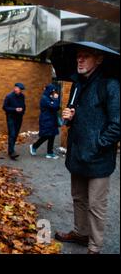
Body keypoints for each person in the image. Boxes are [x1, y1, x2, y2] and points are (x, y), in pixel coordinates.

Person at [54, 47, 120, 254]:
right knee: (79, 198)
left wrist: (98, 145)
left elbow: (117, 124)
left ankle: (94, 246)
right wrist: (69, 116)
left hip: (98, 159)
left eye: (85, 56)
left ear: (99, 59)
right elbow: (72, 114)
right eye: (78, 57)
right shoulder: (76, 85)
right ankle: (80, 233)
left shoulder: (110, 85)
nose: (79, 60)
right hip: (77, 154)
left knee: (96, 205)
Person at [29, 84, 60, 159]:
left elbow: (57, 107)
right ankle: (34, 146)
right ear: (50, 90)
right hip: (46, 120)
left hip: (52, 119)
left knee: (52, 135)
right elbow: (54, 106)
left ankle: (50, 153)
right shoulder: (45, 98)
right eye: (53, 91)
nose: (54, 92)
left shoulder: (49, 97)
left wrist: (54, 101)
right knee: (46, 135)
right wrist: (55, 99)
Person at [3, 83, 26, 160]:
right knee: (12, 134)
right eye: (20, 89)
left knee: (15, 134)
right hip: (11, 118)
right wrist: (15, 109)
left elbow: (24, 106)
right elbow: (4, 107)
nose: (20, 91)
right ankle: (11, 152)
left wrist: (22, 111)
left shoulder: (22, 96)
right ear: (15, 88)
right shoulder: (9, 96)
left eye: (21, 90)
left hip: (19, 118)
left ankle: (11, 149)